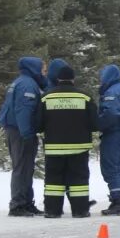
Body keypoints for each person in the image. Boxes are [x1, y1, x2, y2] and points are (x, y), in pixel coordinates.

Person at [36, 66, 98, 218]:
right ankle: (80, 210)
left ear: (57, 79)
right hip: (79, 147)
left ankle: (52, 210)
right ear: (73, 78)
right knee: (79, 180)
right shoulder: (85, 97)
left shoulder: (46, 98)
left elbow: (37, 124)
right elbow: (95, 124)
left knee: (53, 181)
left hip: (54, 147)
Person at [0, 57, 47, 217]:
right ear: (34, 68)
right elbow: (23, 110)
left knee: (26, 167)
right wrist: (27, 133)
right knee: (22, 167)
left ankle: (26, 202)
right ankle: (18, 204)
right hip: (20, 131)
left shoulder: (23, 81)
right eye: (43, 69)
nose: (44, 72)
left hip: (18, 129)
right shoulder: (27, 84)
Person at [97, 64, 120, 216]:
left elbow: (111, 113)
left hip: (113, 132)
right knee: (116, 167)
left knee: (110, 167)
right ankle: (118, 200)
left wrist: (98, 124)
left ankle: (117, 202)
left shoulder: (112, 91)